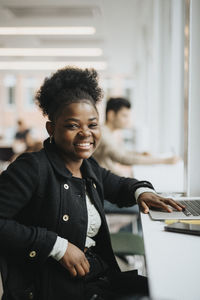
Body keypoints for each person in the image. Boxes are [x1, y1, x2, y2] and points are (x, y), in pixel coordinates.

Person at [0, 67, 184, 300]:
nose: (85, 133)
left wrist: (141, 191)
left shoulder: (86, 165)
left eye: (93, 124)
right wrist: (57, 246)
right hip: (55, 288)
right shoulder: (32, 168)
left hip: (97, 276)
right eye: (73, 125)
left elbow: (117, 184)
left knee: (169, 290)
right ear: (51, 128)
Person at [93, 97, 179, 177]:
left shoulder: (108, 133)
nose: (128, 120)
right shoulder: (103, 134)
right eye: (124, 116)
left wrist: (140, 154)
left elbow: (123, 152)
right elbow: (123, 158)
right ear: (111, 115)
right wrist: (164, 161)